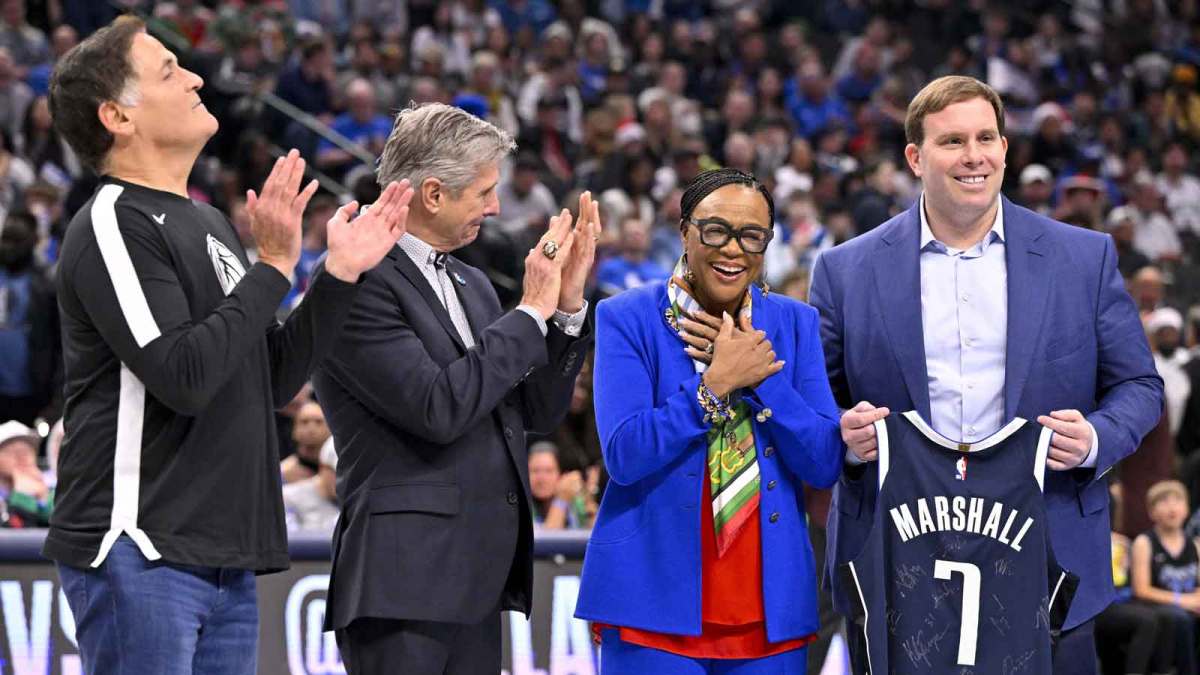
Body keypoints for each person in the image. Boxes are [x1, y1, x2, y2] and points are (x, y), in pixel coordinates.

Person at [43, 17, 413, 675]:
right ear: (117, 116)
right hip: (140, 543)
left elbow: (263, 378)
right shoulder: (110, 223)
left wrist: (337, 276)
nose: (194, 77)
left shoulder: (208, 220)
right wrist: (272, 264)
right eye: (167, 71)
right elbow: (184, 373)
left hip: (222, 550)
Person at [809, 76, 1163, 675]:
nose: (973, 156)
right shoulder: (845, 270)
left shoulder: (1084, 257)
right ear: (916, 158)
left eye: (986, 138)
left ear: (1004, 148)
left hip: (1052, 555)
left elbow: (1139, 386)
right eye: (952, 141)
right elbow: (814, 403)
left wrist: (1096, 438)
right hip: (893, 558)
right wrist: (841, 435)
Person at [311, 101, 597, 675]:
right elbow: (437, 407)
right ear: (434, 194)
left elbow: (533, 414)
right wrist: (531, 310)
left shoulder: (471, 282)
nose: (494, 208)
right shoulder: (355, 279)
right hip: (402, 581)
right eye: (484, 192)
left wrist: (563, 311)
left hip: (477, 577)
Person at [575, 168, 843, 673]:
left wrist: (762, 380)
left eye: (752, 236)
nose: (732, 249)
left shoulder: (794, 322)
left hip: (769, 608)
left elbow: (824, 461)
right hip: (650, 601)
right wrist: (712, 387)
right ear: (685, 232)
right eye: (715, 230)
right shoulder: (626, 317)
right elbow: (625, 456)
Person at [1130, 480, 1200, 675]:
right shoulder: (1144, 542)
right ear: (1151, 512)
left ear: (1187, 508)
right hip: (1155, 606)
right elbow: (1141, 590)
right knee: (1180, 618)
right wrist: (1182, 601)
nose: (1172, 507)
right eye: (1163, 501)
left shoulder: (1195, 545)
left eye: (1178, 500)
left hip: (1188, 605)